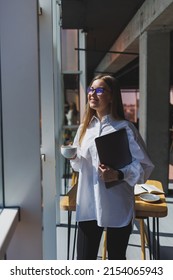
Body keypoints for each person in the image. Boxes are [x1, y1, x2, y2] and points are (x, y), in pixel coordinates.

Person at [70, 74, 154, 260]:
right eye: (91, 89)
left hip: (117, 205)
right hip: (88, 204)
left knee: (116, 260)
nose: (93, 94)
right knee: (84, 262)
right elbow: (78, 166)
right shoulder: (84, 128)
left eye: (99, 90)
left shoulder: (125, 128)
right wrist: (74, 157)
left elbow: (145, 166)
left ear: (112, 96)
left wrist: (118, 174)